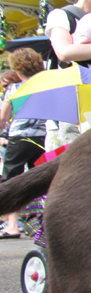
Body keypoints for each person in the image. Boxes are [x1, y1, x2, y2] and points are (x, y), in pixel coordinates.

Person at [0, 49, 47, 238]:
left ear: (17, 69)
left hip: (20, 138)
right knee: (40, 181)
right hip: (42, 138)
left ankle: (12, 225)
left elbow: (3, 116)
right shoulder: (47, 85)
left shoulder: (15, 88)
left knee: (11, 181)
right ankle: (40, 223)